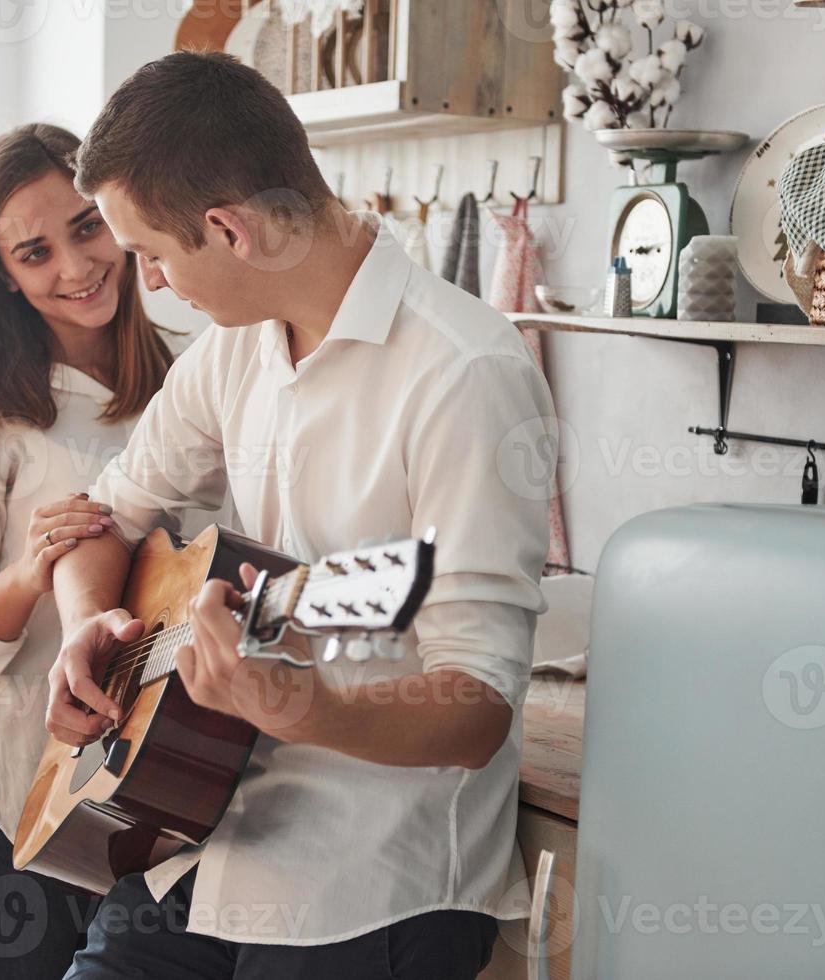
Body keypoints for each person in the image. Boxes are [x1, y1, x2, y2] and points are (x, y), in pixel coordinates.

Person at [45, 52, 557, 979]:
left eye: (152, 255)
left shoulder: (465, 375)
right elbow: (104, 518)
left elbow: (478, 706)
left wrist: (306, 709)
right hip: (191, 850)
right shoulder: (229, 354)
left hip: (369, 894)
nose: (151, 284)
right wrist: (88, 632)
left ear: (228, 231)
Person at [0, 122, 185, 978]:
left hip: (154, 787)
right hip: (4, 787)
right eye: (34, 252)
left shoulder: (197, 379)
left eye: (87, 227)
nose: (75, 266)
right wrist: (28, 576)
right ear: (5, 278)